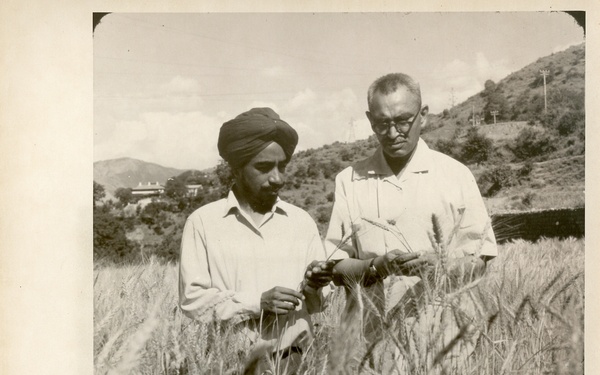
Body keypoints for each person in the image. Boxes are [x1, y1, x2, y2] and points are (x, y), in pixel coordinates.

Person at [325, 73, 498, 373]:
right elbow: (336, 266)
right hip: (372, 348)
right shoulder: (349, 180)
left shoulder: (456, 175)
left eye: (403, 120)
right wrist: (377, 266)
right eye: (382, 123)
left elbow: (480, 261)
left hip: (446, 345)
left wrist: (440, 263)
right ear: (370, 121)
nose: (393, 133)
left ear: (424, 115)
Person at [179, 107, 333, 374]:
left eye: (282, 166)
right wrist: (257, 303)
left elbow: (319, 303)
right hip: (231, 363)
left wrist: (313, 287)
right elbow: (193, 301)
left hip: (296, 361)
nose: (278, 178)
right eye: (264, 167)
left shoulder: (301, 222)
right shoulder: (203, 222)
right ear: (236, 169)